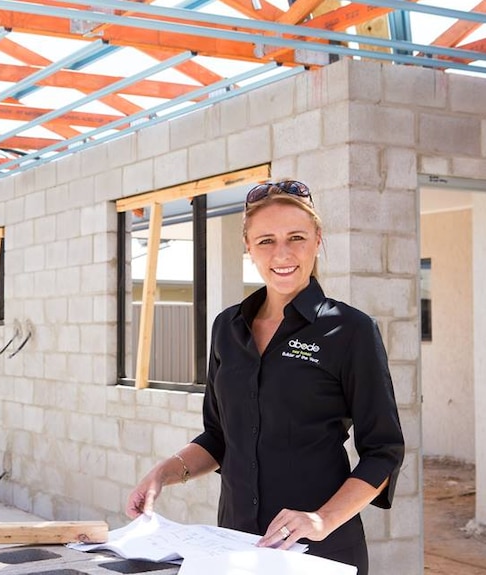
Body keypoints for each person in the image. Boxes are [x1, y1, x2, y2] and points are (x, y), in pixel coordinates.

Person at [126, 181, 405, 574]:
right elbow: (219, 438)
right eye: (266, 241)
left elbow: (384, 452)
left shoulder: (351, 330)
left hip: (317, 553)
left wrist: (322, 519)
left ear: (317, 239)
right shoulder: (227, 327)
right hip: (235, 545)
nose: (283, 254)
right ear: (247, 246)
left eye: (296, 238)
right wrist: (161, 475)